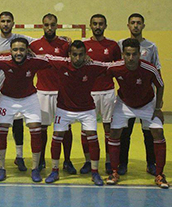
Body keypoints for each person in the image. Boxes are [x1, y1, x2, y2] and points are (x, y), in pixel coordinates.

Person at [106, 38, 168, 188]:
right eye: (127, 54)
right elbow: (100, 76)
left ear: (140, 54)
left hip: (147, 104)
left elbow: (160, 85)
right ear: (123, 54)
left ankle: (160, 174)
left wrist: (158, 108)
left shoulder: (150, 68)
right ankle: (114, 171)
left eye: (134, 54)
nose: (131, 58)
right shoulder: (115, 67)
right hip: (124, 103)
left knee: (158, 133)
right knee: (114, 133)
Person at [45, 40, 106, 186]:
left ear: (86, 55)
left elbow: (113, 67)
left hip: (87, 109)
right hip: (64, 109)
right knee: (57, 136)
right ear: (69, 55)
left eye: (80, 55)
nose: (77, 58)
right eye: (74, 55)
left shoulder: (93, 66)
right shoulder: (61, 63)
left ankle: (95, 172)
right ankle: (54, 170)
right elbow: (42, 57)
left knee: (92, 136)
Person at [0, 11, 34, 171]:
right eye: (3, 21)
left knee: (17, 124)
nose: (5, 24)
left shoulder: (21, 39)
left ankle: (19, 156)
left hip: (14, 92)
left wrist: (63, 40)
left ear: (13, 23)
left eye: (8, 21)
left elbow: (41, 43)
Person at [0, 38, 49, 182]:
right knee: (2, 130)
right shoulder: (4, 61)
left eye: (22, 50)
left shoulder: (34, 62)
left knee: (36, 130)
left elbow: (53, 60)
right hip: (7, 99)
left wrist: (35, 54)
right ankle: (1, 168)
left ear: (27, 50)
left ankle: (35, 168)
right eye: (15, 50)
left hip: (29, 99)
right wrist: (2, 52)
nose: (18, 53)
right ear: (10, 51)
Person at [29, 13, 76, 174]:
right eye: (46, 25)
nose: (49, 28)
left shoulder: (65, 45)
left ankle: (67, 161)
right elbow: (17, 50)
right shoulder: (34, 45)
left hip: (62, 93)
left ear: (57, 25)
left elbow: (77, 57)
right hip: (42, 92)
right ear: (42, 26)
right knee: (42, 129)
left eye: (52, 25)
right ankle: (41, 160)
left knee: (65, 128)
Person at [117, 13, 160, 176]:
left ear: (143, 26)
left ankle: (151, 163)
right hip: (126, 99)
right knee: (125, 133)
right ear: (128, 25)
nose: (135, 25)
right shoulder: (120, 44)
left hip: (147, 98)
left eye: (139, 23)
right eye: (133, 23)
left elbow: (157, 71)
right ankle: (122, 164)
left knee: (149, 132)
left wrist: (159, 101)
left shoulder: (151, 47)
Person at [81, 14, 121, 175]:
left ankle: (109, 162)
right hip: (88, 92)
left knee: (108, 128)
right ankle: (88, 161)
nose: (97, 26)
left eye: (101, 24)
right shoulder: (83, 45)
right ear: (90, 25)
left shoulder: (113, 45)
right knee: (87, 129)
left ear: (105, 26)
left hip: (107, 92)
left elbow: (119, 66)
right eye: (95, 24)